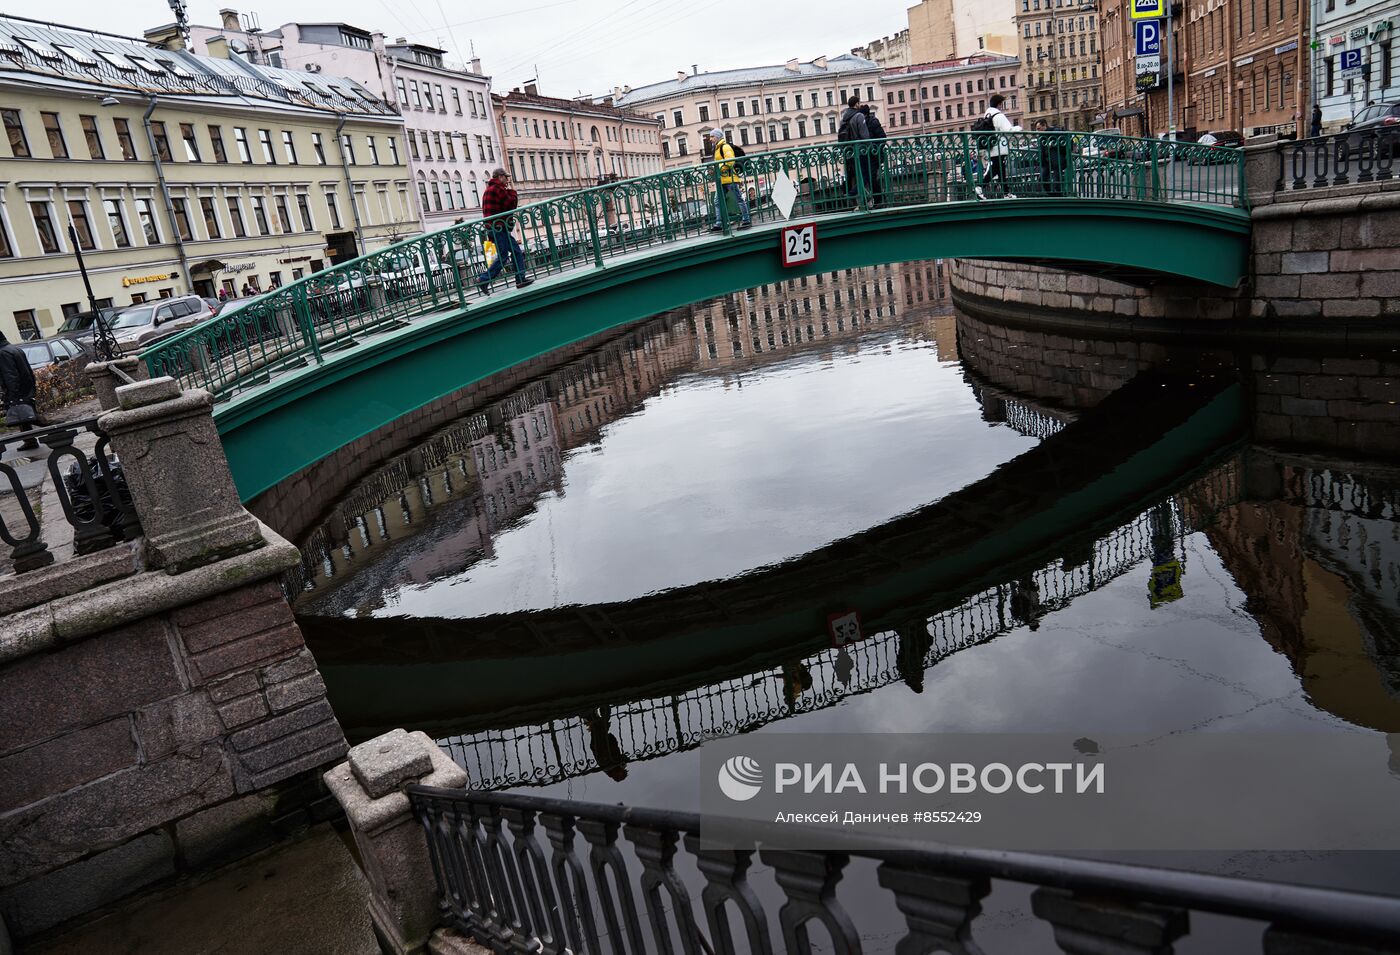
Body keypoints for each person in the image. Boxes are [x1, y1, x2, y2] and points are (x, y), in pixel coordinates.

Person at [476, 167, 533, 292]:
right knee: (503, 256)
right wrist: (512, 192)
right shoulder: (497, 189)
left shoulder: (489, 189)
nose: (507, 180)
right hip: (498, 228)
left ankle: (520, 279)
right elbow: (509, 204)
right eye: (506, 178)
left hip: (494, 227)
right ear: (500, 177)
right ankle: (484, 279)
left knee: (516, 251)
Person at [706, 127, 752, 232]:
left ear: (717, 137)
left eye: (712, 136)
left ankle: (746, 220)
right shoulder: (717, 148)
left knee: (739, 199)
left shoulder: (725, 147)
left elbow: (730, 161)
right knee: (717, 201)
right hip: (722, 179)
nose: (710, 139)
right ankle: (719, 223)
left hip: (730, 178)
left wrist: (718, 168)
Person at [976, 94, 1021, 200]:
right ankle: (979, 187)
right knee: (996, 168)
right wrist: (1019, 128)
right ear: (999, 104)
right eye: (1002, 104)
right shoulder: (999, 116)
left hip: (991, 146)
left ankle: (1006, 193)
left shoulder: (987, 115)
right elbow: (1008, 130)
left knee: (1001, 170)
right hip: (999, 147)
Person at [0, 330, 39, 451]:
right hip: (25, 387)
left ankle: (58, 426)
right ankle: (29, 440)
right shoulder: (13, 348)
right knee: (23, 415)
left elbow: (10, 375)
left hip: (17, 390)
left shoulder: (2, 353)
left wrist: (12, 394)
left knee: (28, 415)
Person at [837, 95, 871, 204]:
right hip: (860, 150)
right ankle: (855, 194)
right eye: (859, 103)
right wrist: (870, 147)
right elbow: (864, 135)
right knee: (865, 174)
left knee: (855, 175)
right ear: (856, 104)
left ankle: (858, 198)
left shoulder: (844, 118)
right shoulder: (859, 116)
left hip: (848, 152)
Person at [859, 104, 887, 206]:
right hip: (867, 155)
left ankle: (879, 199)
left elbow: (882, 137)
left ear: (864, 114)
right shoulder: (864, 123)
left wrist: (875, 149)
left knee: (872, 177)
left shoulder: (873, 122)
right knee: (870, 178)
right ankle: (878, 198)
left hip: (874, 155)